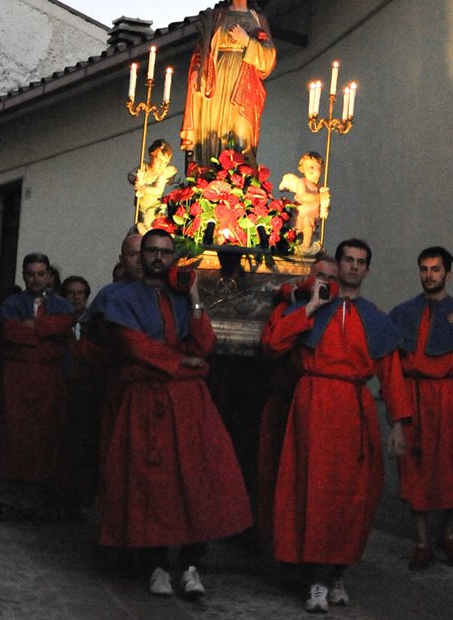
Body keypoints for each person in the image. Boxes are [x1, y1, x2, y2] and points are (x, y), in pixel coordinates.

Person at [91, 227, 252, 597]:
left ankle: (192, 565)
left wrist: (194, 297)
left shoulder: (182, 297)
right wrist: (184, 363)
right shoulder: (121, 298)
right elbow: (136, 347)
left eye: (166, 252)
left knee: (198, 481)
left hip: (190, 405)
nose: (158, 258)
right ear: (141, 255)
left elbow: (204, 343)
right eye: (152, 251)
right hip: (146, 401)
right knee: (152, 484)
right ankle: (156, 565)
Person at [262, 238, 411, 613]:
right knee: (313, 492)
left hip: (354, 410)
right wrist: (310, 307)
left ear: (367, 269)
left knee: (352, 494)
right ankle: (316, 579)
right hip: (312, 406)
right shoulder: (309, 307)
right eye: (348, 259)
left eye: (361, 261)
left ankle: (336, 572)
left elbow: (392, 374)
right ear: (339, 265)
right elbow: (274, 344)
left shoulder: (376, 319)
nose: (354, 266)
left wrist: (399, 423)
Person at [388, 246, 453, 569]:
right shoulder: (403, 314)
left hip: (449, 401)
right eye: (424, 269)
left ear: (448, 273)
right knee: (415, 471)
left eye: (435, 269)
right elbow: (393, 367)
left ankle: (449, 535)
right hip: (414, 399)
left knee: (452, 471)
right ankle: (422, 543)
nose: (429, 275)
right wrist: (398, 411)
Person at [257, 254, 339, 552]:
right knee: (278, 478)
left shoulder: (340, 313)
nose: (324, 283)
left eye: (331, 278)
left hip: (319, 408)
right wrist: (307, 308)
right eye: (320, 275)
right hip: (285, 404)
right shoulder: (290, 306)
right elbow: (273, 344)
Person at [0, 252, 73, 522]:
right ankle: (4, 498)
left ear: (48, 276)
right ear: (24, 276)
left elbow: (63, 327)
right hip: (16, 377)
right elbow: (10, 332)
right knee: (10, 435)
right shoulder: (12, 303)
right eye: (31, 274)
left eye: (40, 274)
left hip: (48, 380)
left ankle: (33, 501)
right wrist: (44, 333)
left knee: (42, 438)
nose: (36, 279)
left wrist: (32, 327)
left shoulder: (62, 305)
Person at [179, 0, 275, 167]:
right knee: (212, 133)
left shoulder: (258, 19)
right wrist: (196, 72)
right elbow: (201, 51)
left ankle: (241, 178)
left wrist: (247, 41)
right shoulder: (216, 16)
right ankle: (210, 176)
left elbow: (269, 59)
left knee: (241, 136)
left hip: (244, 84)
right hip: (215, 81)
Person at [58, 274, 102, 515]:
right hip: (61, 388)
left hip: (86, 390)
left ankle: (76, 500)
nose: (75, 298)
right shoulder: (57, 320)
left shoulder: (95, 325)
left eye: (80, 293)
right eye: (70, 293)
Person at [279, 152, 330, 254]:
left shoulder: (321, 188)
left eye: (314, 165)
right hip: (302, 211)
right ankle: (300, 246)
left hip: (313, 213)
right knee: (302, 225)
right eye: (307, 167)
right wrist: (320, 197)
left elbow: (324, 205)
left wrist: (325, 207)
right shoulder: (302, 182)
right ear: (302, 169)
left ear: (322, 168)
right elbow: (304, 197)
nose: (311, 169)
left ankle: (306, 246)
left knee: (309, 225)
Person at [128, 139, 178, 233]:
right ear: (151, 156)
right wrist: (136, 178)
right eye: (159, 160)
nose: (161, 165)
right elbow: (130, 175)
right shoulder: (143, 167)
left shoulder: (161, 175)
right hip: (141, 206)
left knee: (148, 225)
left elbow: (158, 190)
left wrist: (144, 188)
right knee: (139, 225)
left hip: (153, 207)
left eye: (165, 162)